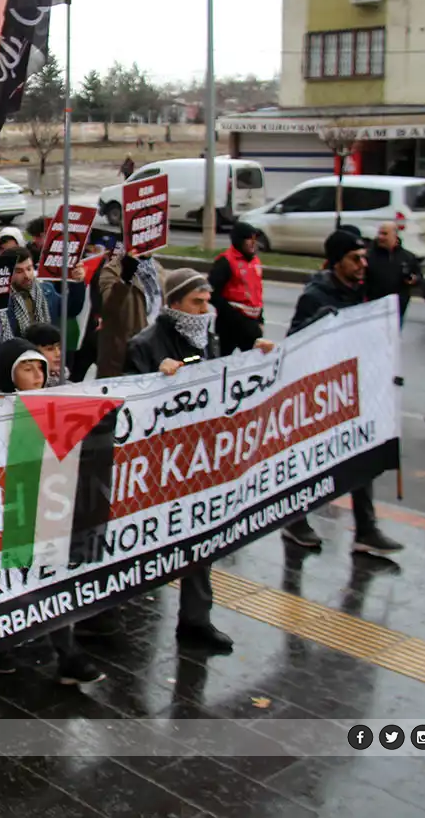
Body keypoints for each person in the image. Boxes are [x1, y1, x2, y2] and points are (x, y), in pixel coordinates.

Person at [125, 269, 276, 652]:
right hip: (157, 462)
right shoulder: (146, 343)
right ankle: (110, 616)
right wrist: (156, 378)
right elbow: (128, 401)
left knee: (199, 539)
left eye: (208, 301)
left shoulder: (206, 337)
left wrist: (257, 362)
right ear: (175, 303)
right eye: (197, 301)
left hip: (197, 458)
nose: (205, 308)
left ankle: (196, 619)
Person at [0, 338, 107, 684]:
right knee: (6, 578)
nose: (38, 376)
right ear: (8, 372)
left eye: (40, 368)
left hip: (45, 498)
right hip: (4, 507)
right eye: (27, 368)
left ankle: (68, 654)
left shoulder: (56, 403)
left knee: (50, 574)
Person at [284, 230, 404, 555]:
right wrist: (319, 325)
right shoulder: (316, 295)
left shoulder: (361, 291)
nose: (362, 264)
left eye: (364, 257)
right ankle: (295, 521)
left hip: (352, 390)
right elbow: (294, 342)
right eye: (355, 259)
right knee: (311, 461)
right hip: (320, 396)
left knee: (359, 454)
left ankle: (366, 529)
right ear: (337, 262)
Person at [0, 247, 85, 349]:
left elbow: (71, 309)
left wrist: (77, 282)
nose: (27, 275)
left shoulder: (46, 290)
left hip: (46, 354)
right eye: (19, 271)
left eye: (29, 269)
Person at [96, 249, 165, 378]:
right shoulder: (113, 269)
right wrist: (124, 279)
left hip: (154, 352)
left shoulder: (157, 269)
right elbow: (109, 310)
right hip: (124, 356)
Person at [208, 221, 265, 353]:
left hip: (252, 322)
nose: (253, 243)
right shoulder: (225, 261)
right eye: (249, 239)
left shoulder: (255, 262)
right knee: (223, 363)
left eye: (255, 239)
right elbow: (212, 292)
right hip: (230, 323)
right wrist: (232, 314)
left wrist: (260, 319)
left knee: (254, 361)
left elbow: (257, 292)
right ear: (239, 240)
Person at [364, 222, 419, 326]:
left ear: (395, 235)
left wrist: (414, 279)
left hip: (397, 310)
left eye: (385, 234)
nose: (380, 237)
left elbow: (418, 275)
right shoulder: (369, 255)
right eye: (379, 233)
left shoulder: (407, 257)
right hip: (373, 308)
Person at [23, 322, 65, 387]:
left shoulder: (65, 380)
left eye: (60, 348)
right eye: (50, 349)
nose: (58, 354)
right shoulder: (27, 386)